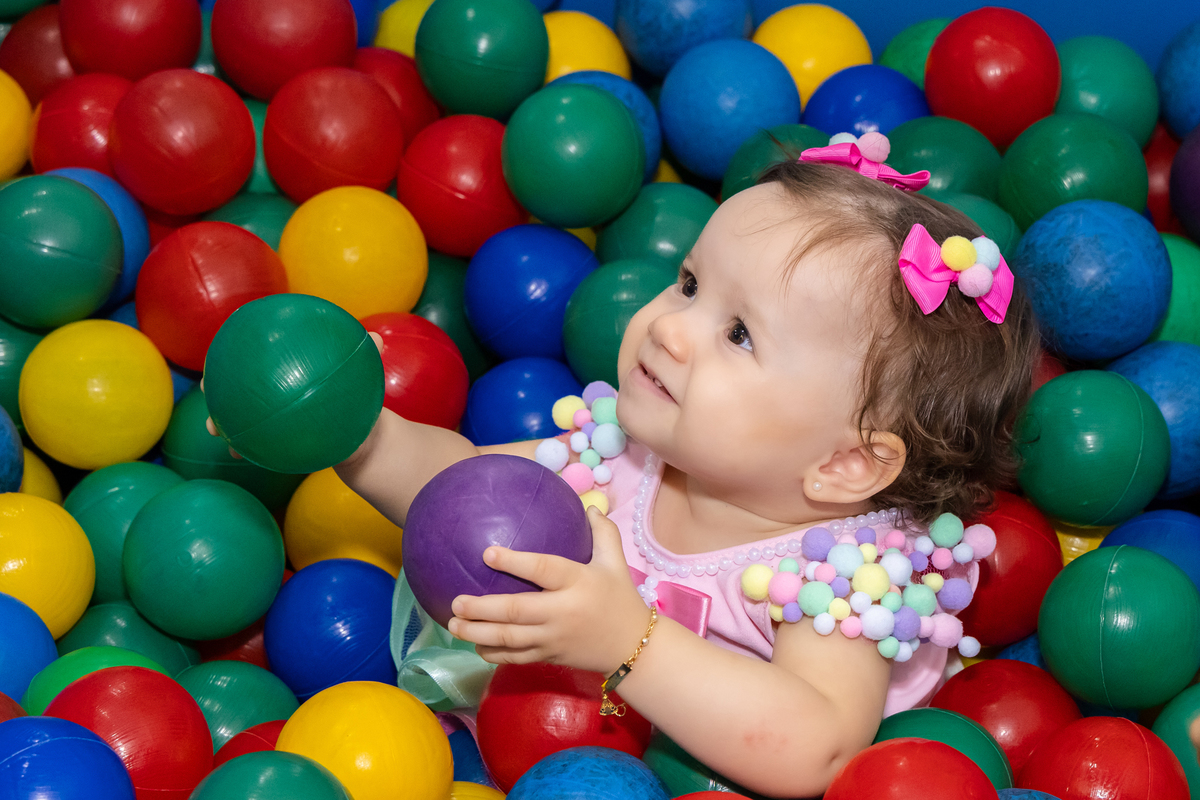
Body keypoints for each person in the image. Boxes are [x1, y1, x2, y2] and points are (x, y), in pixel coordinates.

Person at [217, 133, 1039, 796]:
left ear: (846, 465)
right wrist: (356, 437)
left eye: (739, 334)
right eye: (688, 284)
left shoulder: (848, 575)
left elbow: (815, 746)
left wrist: (627, 638)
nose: (670, 328)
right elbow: (461, 487)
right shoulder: (623, 453)